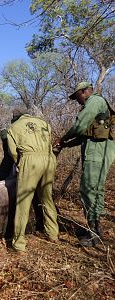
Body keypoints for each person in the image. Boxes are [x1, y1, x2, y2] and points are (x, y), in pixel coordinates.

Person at [54, 82, 115, 247]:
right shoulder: (95, 104)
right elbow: (83, 135)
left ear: (84, 92)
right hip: (99, 149)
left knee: (88, 189)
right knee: (95, 190)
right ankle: (95, 229)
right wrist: (66, 144)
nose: (77, 100)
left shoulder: (94, 101)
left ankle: (93, 233)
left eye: (77, 97)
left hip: (98, 150)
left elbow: (80, 126)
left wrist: (62, 138)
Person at [7, 107, 59, 254]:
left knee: (23, 202)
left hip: (30, 160)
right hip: (49, 160)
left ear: (16, 117)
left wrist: (21, 163)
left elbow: (12, 152)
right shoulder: (44, 123)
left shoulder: (13, 127)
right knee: (47, 198)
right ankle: (53, 233)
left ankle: (18, 243)